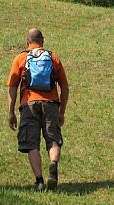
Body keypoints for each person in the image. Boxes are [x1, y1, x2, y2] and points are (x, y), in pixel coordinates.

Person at [7, 28, 69, 191]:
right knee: (53, 138)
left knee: (31, 143)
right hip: (51, 103)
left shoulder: (20, 58)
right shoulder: (53, 58)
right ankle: (53, 163)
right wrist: (62, 111)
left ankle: (39, 180)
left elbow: (12, 86)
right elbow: (64, 86)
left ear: (27, 42)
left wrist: (11, 112)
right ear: (42, 41)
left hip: (29, 104)